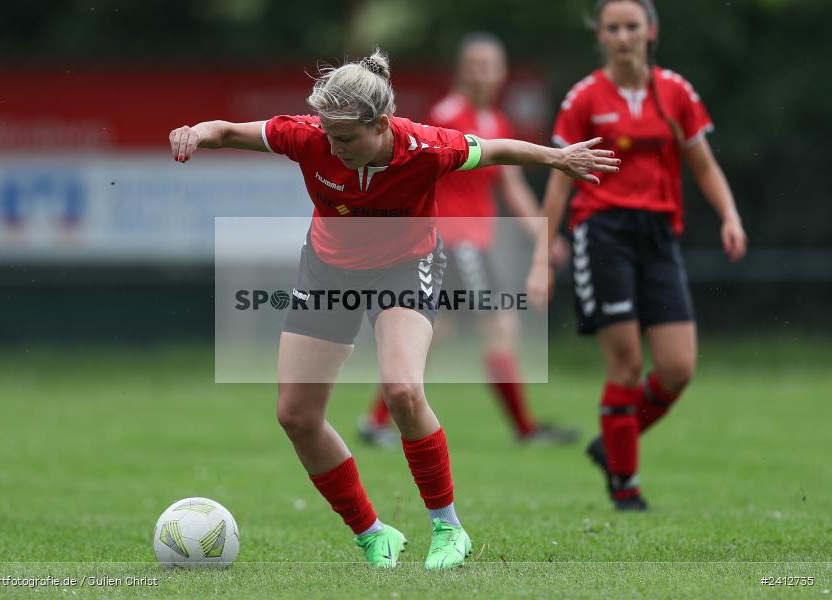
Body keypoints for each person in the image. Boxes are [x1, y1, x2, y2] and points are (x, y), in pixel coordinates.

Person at [169, 49, 618, 567]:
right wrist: (196, 131)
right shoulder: (308, 135)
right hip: (327, 271)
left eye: (347, 139)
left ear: (381, 124)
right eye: (329, 136)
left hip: (405, 266)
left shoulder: (426, 146)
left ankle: (448, 529)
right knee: (295, 415)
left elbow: (494, 151)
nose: (334, 149)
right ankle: (372, 533)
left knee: (404, 390)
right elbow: (226, 131)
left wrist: (558, 158)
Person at [526, 0, 747, 511]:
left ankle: (612, 443)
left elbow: (704, 165)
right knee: (625, 366)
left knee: (678, 368)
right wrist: (541, 257)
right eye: (613, 28)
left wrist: (730, 215)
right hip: (602, 233)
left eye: (632, 26)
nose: (624, 36)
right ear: (600, 36)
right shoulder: (584, 97)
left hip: (658, 235)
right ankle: (626, 486)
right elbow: (560, 183)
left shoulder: (676, 91)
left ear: (651, 31)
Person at [358, 33, 579, 448]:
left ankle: (375, 421)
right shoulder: (449, 114)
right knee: (500, 325)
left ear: (502, 71)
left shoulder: (496, 121)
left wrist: (542, 234)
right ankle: (525, 430)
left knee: (436, 333)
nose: (484, 72)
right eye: (475, 63)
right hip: (454, 241)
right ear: (462, 70)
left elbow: (511, 184)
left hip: (469, 244)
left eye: (490, 64)